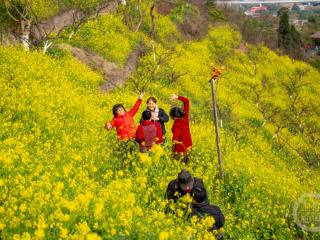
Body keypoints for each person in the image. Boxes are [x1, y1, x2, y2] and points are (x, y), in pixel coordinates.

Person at [170, 94, 192, 164]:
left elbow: (175, 140)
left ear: (175, 117)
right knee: (187, 163)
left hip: (180, 149)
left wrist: (172, 152)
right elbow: (187, 101)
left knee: (179, 165)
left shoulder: (176, 126)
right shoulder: (185, 116)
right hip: (188, 145)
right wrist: (177, 97)